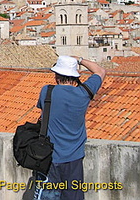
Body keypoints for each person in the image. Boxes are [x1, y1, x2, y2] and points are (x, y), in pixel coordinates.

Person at [36, 55, 106, 200]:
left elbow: (43, 115)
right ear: (74, 76)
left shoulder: (46, 92)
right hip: (74, 159)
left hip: (49, 158)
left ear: (56, 76)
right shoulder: (84, 94)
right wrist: (80, 59)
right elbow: (100, 71)